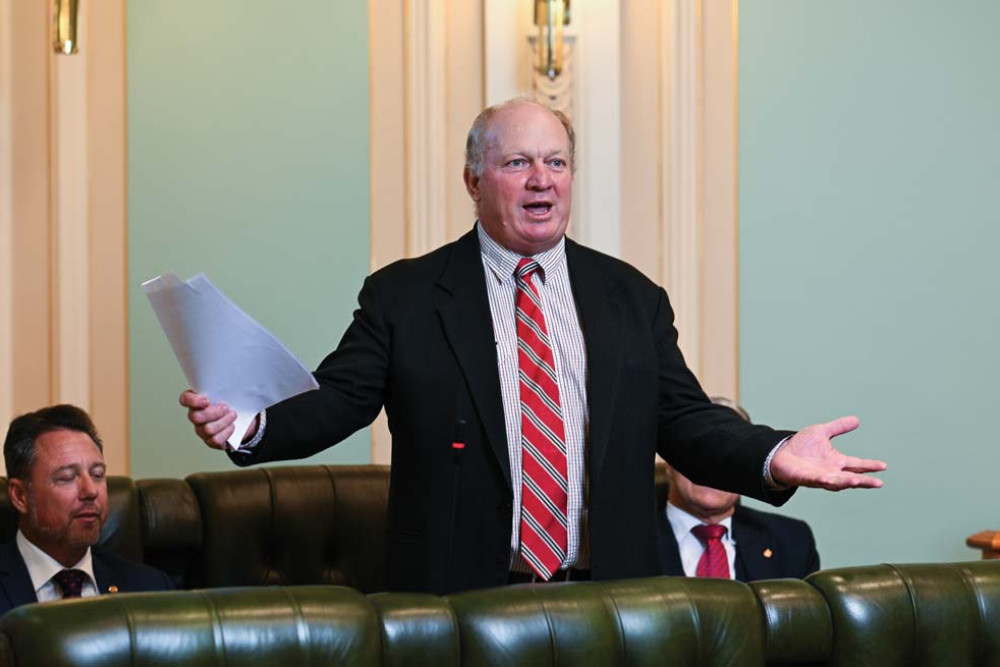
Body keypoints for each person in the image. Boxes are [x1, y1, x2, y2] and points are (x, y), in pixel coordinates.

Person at [180, 98, 885, 594]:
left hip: (609, 604)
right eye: (518, 162)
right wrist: (251, 424)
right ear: (474, 180)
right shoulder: (406, 296)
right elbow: (340, 400)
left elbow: (688, 424)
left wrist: (774, 453)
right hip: (460, 606)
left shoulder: (630, 298)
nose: (542, 179)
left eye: (556, 161)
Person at [0, 405, 172, 614]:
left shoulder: (149, 589)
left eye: (97, 474)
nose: (91, 491)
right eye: (66, 477)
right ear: (20, 496)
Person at [658, 398, 820, 581]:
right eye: (699, 453)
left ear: (747, 469)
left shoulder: (791, 539)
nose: (712, 467)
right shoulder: (627, 541)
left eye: (729, 457)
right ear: (669, 464)